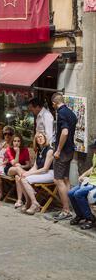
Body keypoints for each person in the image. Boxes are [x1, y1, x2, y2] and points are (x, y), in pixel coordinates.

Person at [51, 93, 78, 222]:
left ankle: (66, 210)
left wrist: (58, 150)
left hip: (62, 152)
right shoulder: (71, 113)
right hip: (70, 150)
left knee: (58, 180)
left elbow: (65, 132)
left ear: (54, 103)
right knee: (66, 179)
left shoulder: (61, 113)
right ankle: (70, 208)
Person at [18, 132, 54, 215]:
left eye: (41, 137)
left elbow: (45, 169)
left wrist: (29, 174)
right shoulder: (39, 151)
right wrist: (26, 173)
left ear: (45, 138)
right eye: (37, 138)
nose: (39, 139)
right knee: (21, 178)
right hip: (42, 173)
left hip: (50, 173)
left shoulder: (50, 150)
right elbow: (35, 167)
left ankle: (34, 203)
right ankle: (28, 202)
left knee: (25, 180)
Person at [68, 142, 96, 230]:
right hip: (90, 181)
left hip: (95, 184)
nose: (94, 150)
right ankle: (80, 215)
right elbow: (93, 168)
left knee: (78, 194)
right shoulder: (95, 155)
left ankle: (90, 218)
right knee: (71, 193)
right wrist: (83, 175)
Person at [2, 134, 31, 208]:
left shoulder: (25, 149)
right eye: (14, 141)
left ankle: (19, 200)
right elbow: (14, 163)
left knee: (18, 177)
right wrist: (17, 152)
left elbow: (28, 165)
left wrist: (22, 166)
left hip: (21, 169)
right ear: (12, 142)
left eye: (18, 141)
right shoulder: (9, 149)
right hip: (10, 168)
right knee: (17, 167)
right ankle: (30, 191)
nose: (16, 143)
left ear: (21, 142)